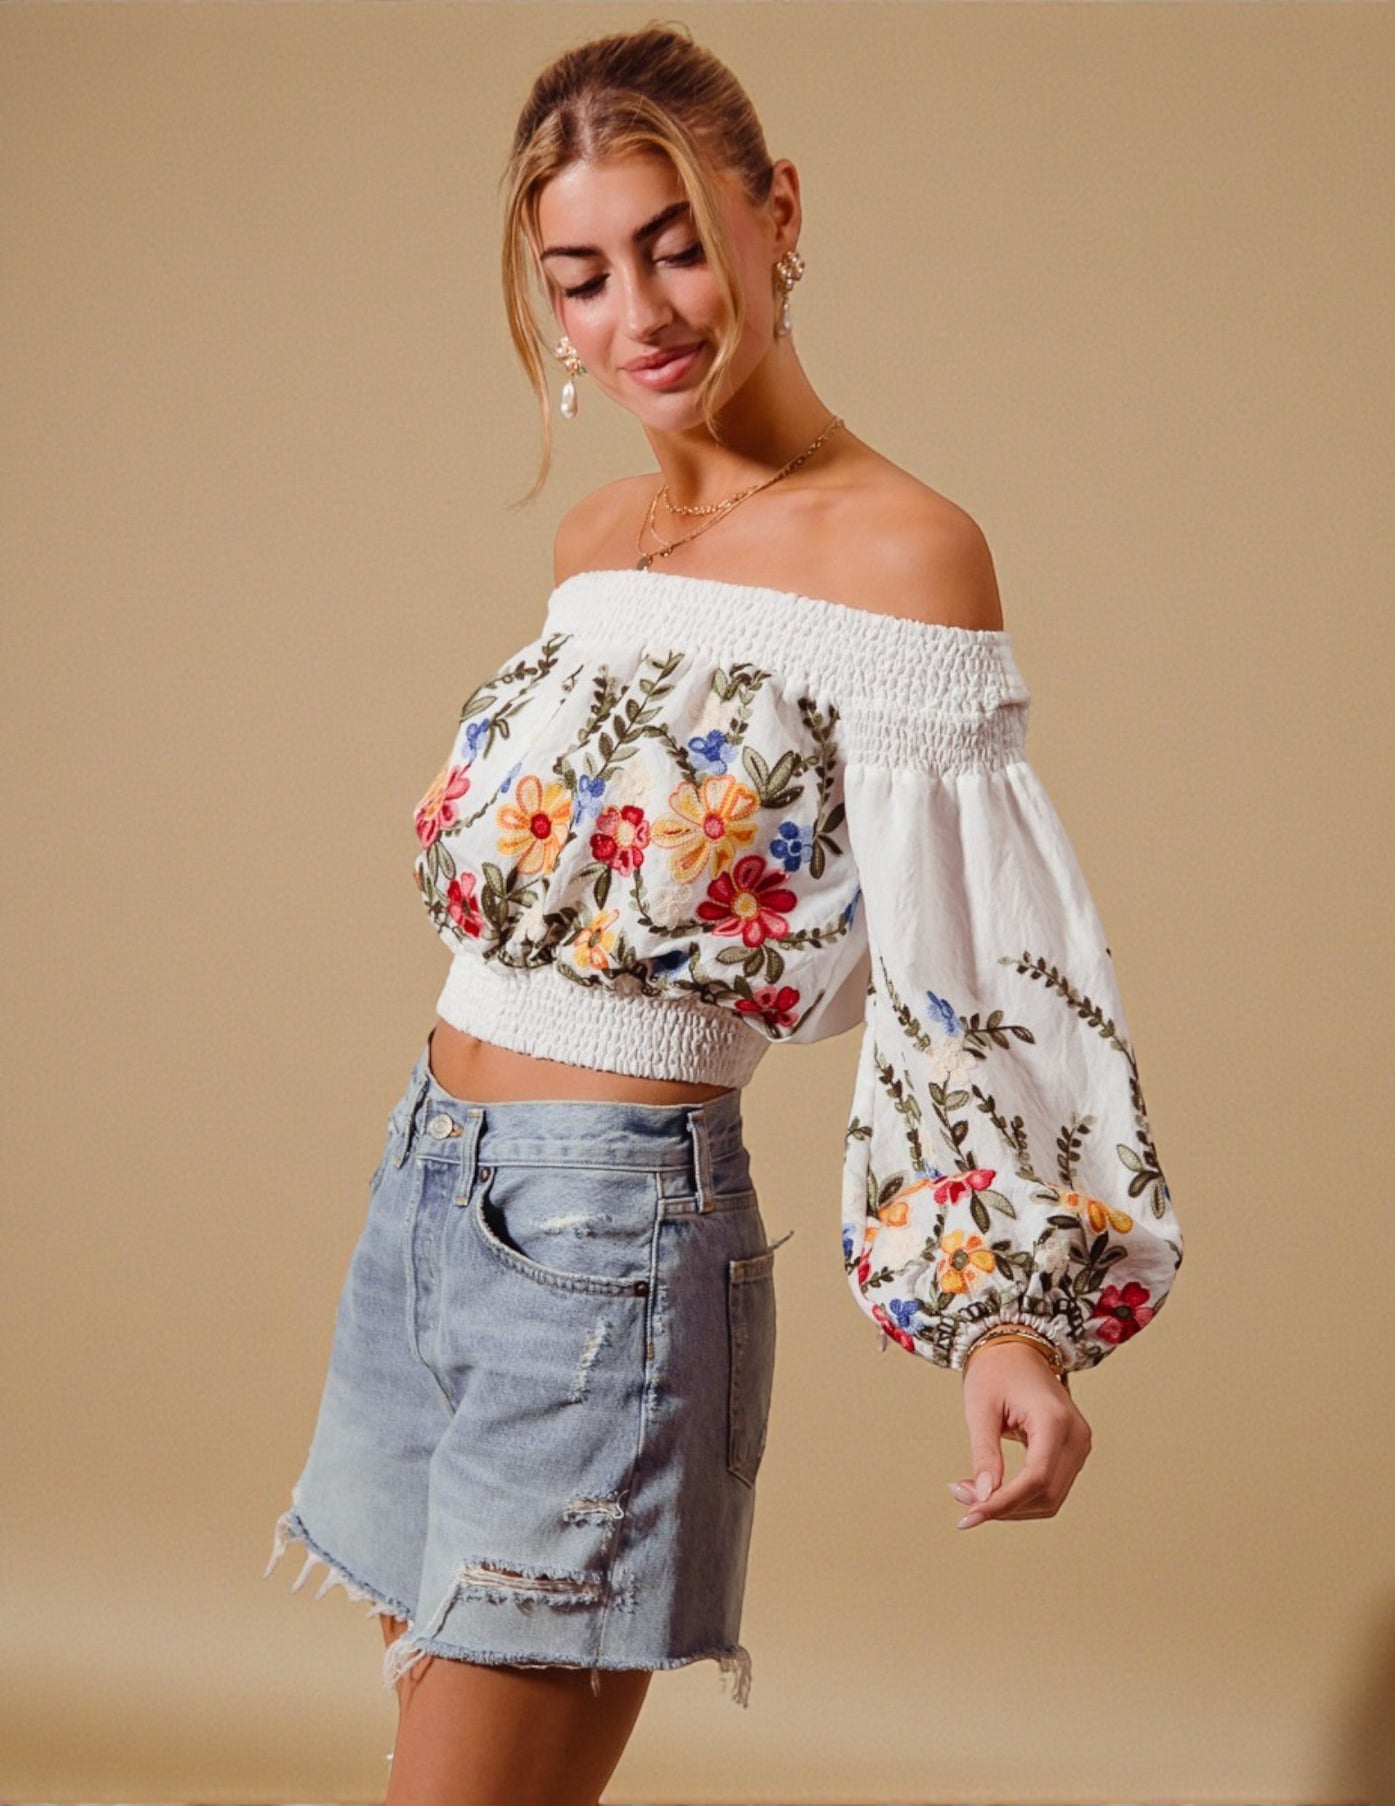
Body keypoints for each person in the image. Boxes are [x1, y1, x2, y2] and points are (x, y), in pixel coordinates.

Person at [263, 21, 1184, 1806]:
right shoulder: (595, 546)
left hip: (607, 1247)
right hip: (430, 1199)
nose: (642, 315)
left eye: (677, 241)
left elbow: (975, 966)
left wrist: (1007, 1319)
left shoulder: (901, 551)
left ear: (776, 215)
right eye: (582, 276)